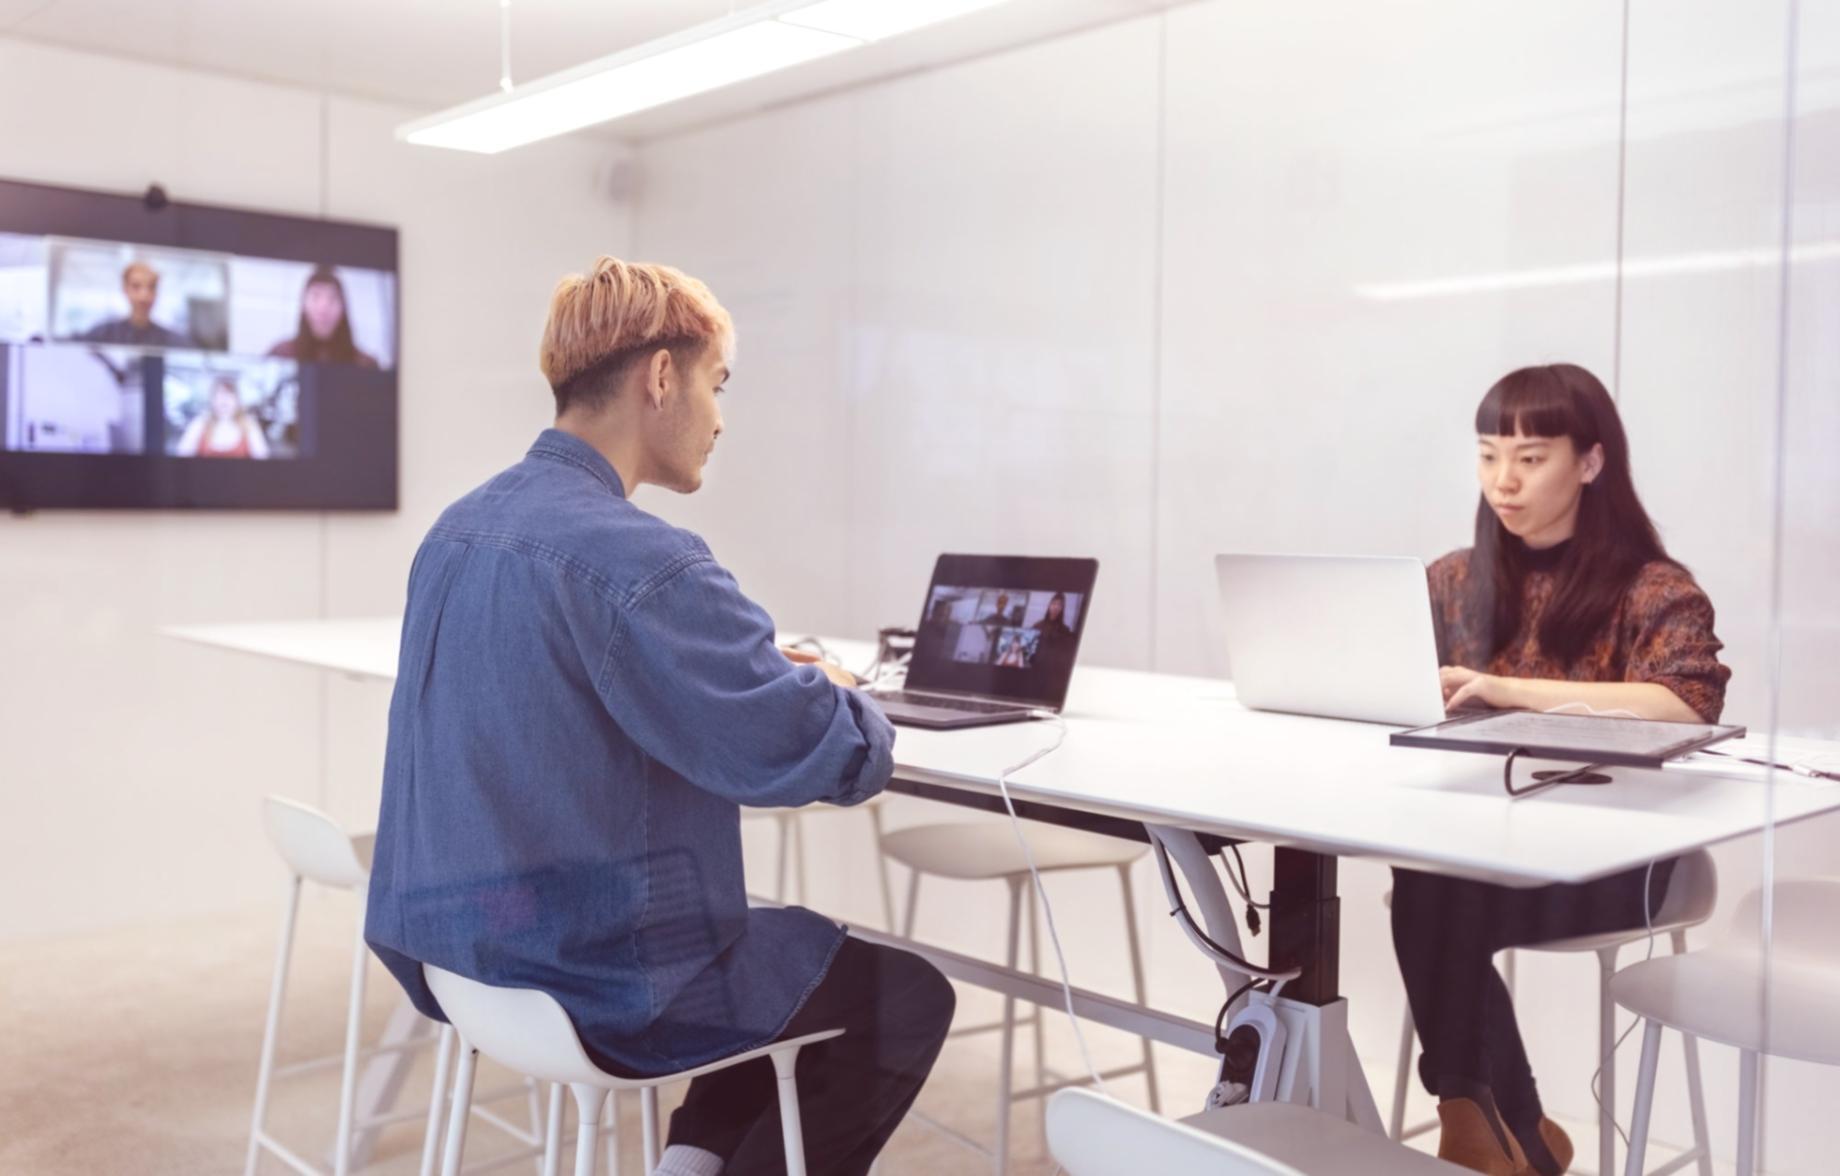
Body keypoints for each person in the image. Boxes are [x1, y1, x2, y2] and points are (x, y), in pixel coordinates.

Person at [364, 256, 953, 1176]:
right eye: (718, 385)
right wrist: (845, 693)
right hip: (597, 978)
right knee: (898, 993)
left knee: (777, 954)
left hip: (462, 951)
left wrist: (748, 673)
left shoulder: (456, 529)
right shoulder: (643, 560)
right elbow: (825, 757)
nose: (720, 419)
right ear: (662, 377)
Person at [1393, 363, 1730, 1176]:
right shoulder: (1453, 581)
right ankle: (1507, 1130)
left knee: (1435, 890)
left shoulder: (1652, 589)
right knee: (1434, 879)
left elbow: (1688, 702)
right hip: (1489, 852)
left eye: (1531, 457)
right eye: (1487, 455)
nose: (1503, 481)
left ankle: (1492, 1125)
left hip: (1623, 861)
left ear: (1590, 461)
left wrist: (1509, 690)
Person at [267, 266, 379, 367]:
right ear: (303, 305)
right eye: (316, 296)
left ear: (343, 308)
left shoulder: (365, 364)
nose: (323, 309)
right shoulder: (280, 356)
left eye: (332, 298)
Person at [78, 260, 190, 347]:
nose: (144, 295)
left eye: (151, 287)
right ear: (125, 289)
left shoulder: (174, 340)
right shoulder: (102, 334)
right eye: (136, 286)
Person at [174, 376, 270, 459]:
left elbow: (262, 461)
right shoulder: (201, 422)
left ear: (237, 401)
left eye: (229, 395)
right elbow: (181, 459)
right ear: (212, 400)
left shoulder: (248, 424)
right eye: (219, 394)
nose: (224, 399)